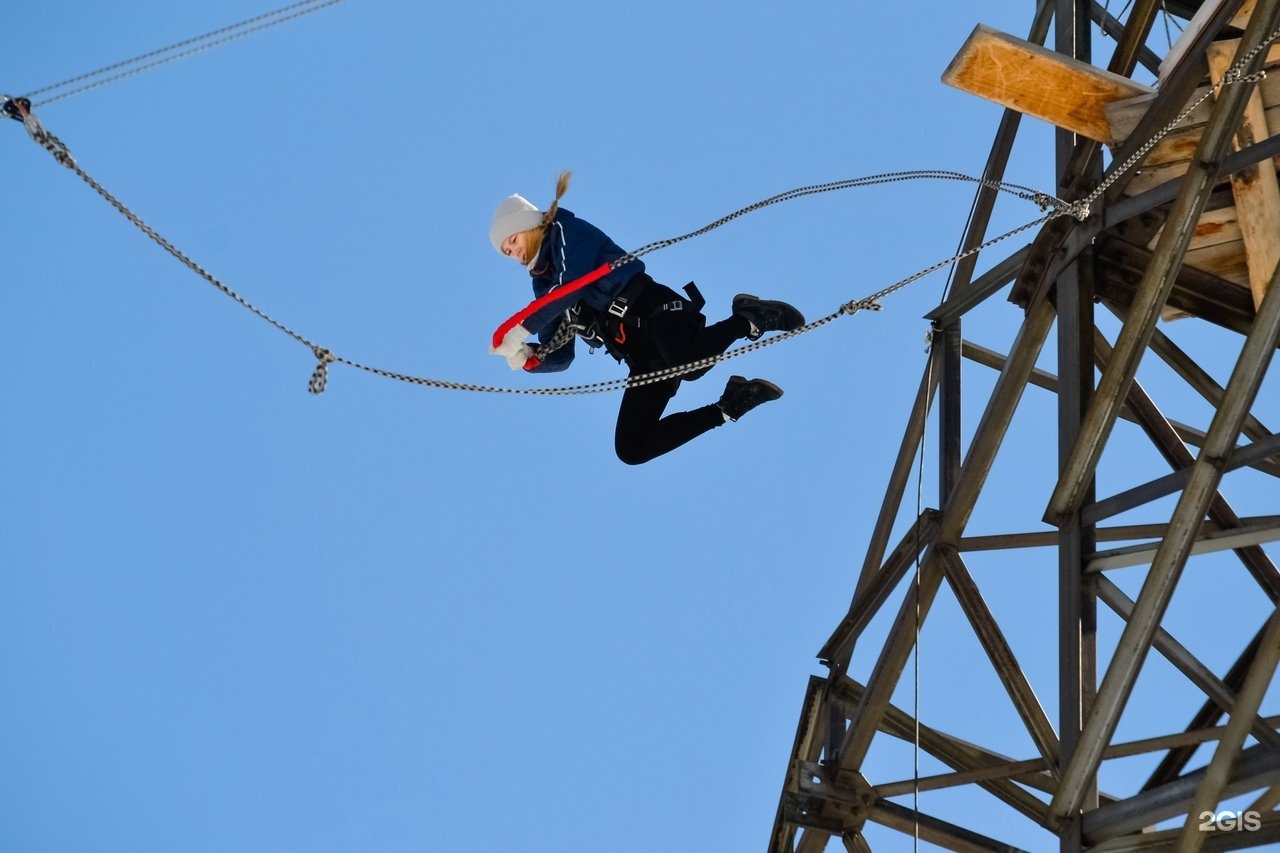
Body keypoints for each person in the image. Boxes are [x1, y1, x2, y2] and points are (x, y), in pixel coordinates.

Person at [489, 172, 805, 465]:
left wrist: (518, 327)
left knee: (690, 363)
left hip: (653, 311)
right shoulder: (543, 285)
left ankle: (749, 318)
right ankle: (729, 406)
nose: (514, 253)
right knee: (631, 448)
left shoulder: (566, 231)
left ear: (529, 225)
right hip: (639, 354)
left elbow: (573, 285)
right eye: (506, 253)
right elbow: (561, 352)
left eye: (513, 241)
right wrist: (530, 356)